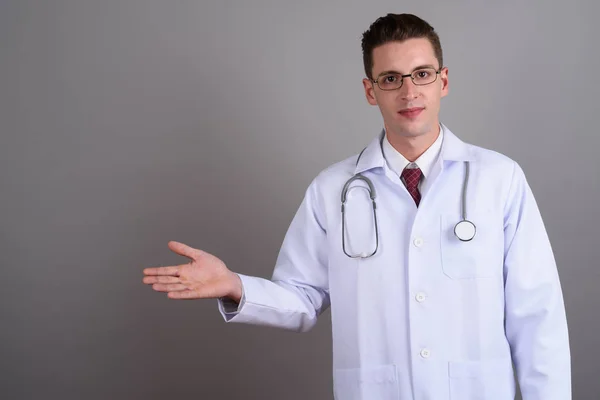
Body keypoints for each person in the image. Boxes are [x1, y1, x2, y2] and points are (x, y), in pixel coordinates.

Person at [142, 13, 571, 399]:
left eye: (421, 74)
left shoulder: (499, 179)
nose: (408, 91)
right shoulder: (333, 189)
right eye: (391, 78)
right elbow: (302, 298)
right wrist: (236, 284)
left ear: (443, 81)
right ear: (371, 91)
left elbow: (536, 314)